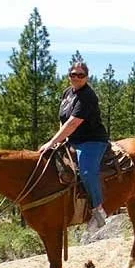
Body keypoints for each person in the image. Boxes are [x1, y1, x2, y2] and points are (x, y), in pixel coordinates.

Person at [39, 62, 109, 232]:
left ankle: (98, 211)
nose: (76, 77)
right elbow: (63, 121)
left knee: (86, 171)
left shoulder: (88, 96)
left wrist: (52, 142)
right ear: (68, 76)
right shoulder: (67, 93)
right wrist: (59, 139)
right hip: (72, 139)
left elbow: (72, 123)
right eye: (73, 74)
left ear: (87, 77)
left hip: (91, 140)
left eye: (80, 75)